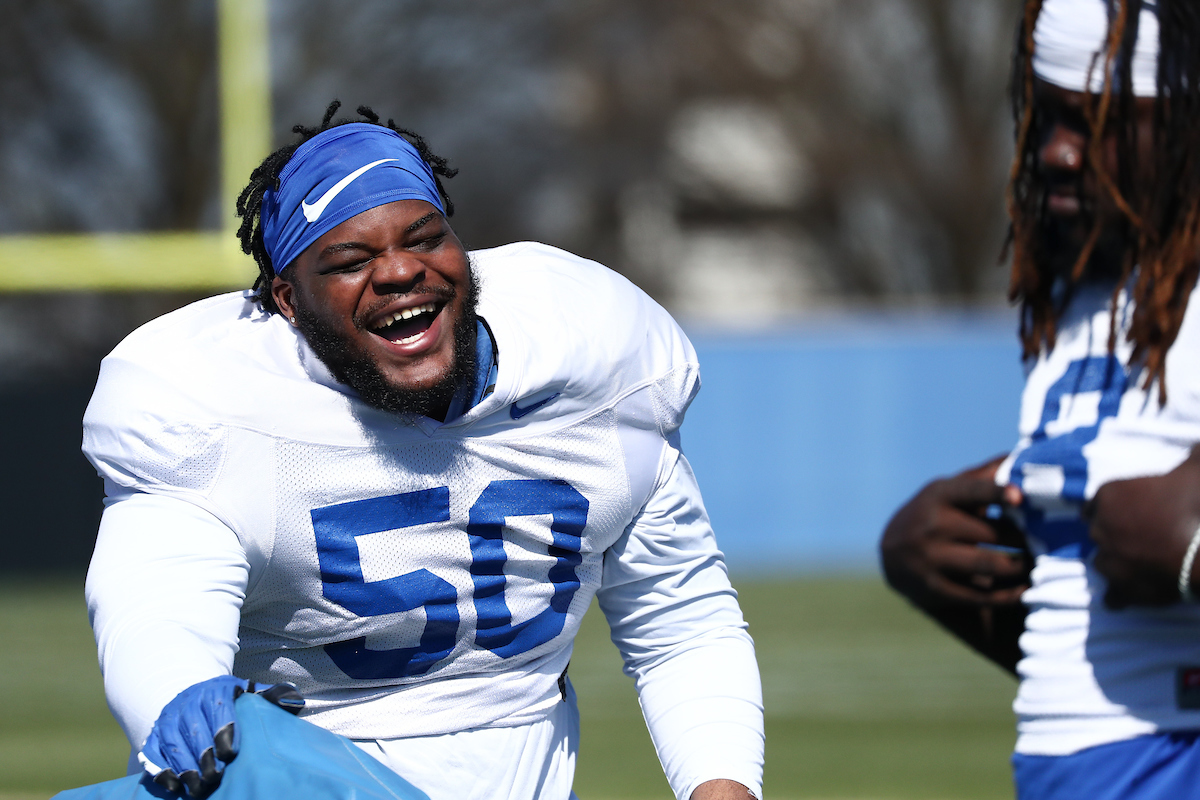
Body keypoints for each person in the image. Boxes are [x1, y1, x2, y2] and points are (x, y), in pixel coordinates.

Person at [81, 101, 763, 800]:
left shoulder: (594, 359)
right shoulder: (214, 408)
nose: (401, 271)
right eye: (351, 260)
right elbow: (157, 608)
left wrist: (724, 790)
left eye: (426, 237)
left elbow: (680, 621)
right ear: (288, 299)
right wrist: (178, 695)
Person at [880, 0, 1200, 797]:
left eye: (1099, 122)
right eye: (1048, 117)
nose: (1058, 153)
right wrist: (945, 568)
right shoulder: (1082, 294)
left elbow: (1164, 537)